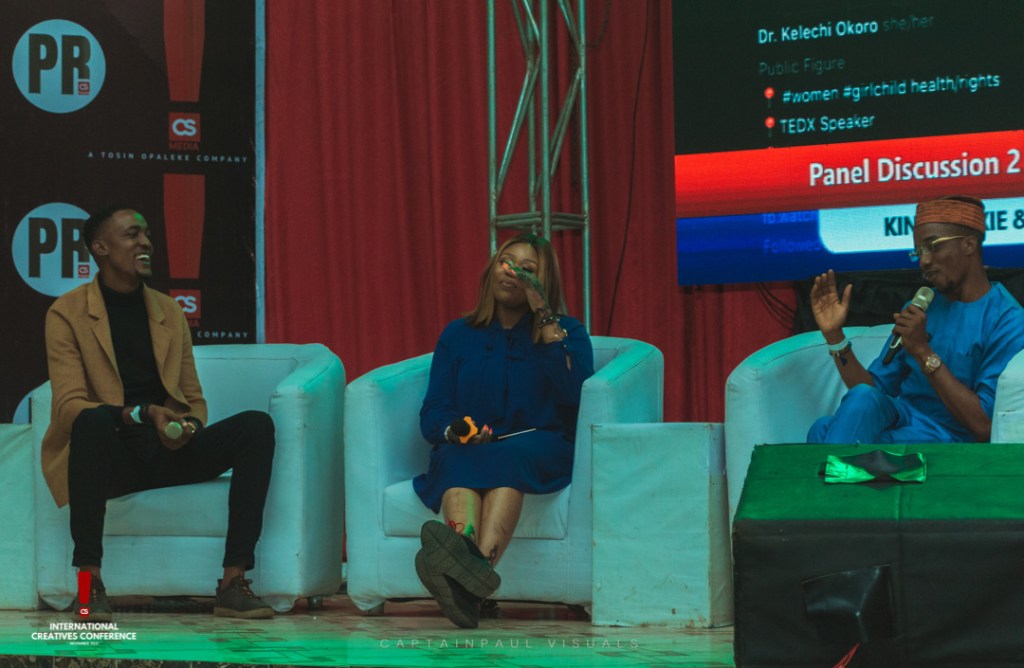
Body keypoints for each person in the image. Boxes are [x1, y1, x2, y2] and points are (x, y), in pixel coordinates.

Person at [41, 206, 277, 621]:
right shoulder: (67, 313)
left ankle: (232, 583)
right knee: (90, 421)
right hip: (110, 456)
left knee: (256, 426)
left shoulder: (168, 311)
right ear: (101, 248)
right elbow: (69, 405)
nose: (146, 243)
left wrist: (189, 426)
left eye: (147, 234)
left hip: (166, 449)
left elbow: (193, 399)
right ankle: (89, 587)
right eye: (132, 235)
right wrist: (141, 413)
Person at [412, 232, 594, 628]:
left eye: (527, 269)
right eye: (506, 262)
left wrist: (543, 314)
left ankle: (463, 577)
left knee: (508, 458)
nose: (512, 272)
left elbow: (574, 394)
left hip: (539, 445)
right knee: (455, 456)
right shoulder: (458, 335)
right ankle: (470, 583)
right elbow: (435, 407)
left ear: (543, 283)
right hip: (472, 446)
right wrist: (455, 430)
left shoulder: (568, 332)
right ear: (491, 269)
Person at [807, 195, 1024, 444]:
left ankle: (837, 467)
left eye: (934, 246)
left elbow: (984, 425)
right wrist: (835, 336)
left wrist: (922, 351)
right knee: (856, 404)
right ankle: (843, 466)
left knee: (824, 432)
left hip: (949, 438)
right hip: (905, 419)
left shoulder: (1007, 320)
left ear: (968, 245)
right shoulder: (922, 307)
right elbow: (871, 390)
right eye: (919, 251)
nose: (924, 261)